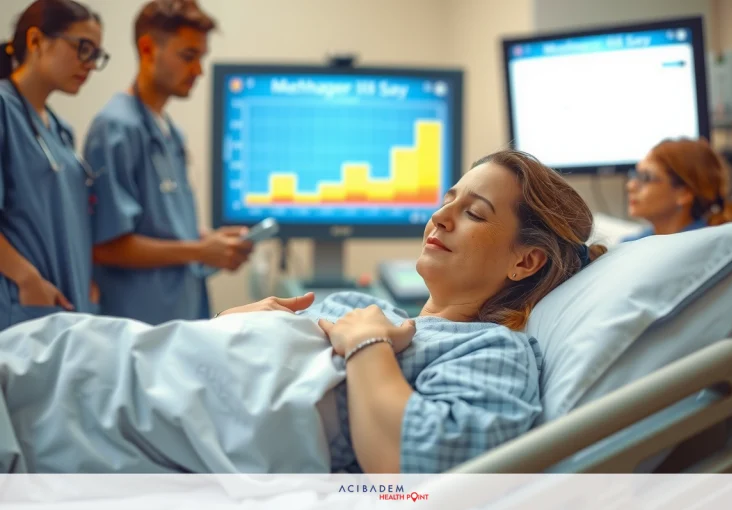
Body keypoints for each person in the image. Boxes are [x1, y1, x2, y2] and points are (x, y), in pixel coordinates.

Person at [0, 149, 607, 474]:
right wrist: (244, 323)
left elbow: (417, 470)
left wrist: (367, 343)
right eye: (447, 200)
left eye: (474, 214)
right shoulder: (368, 307)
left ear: (524, 263)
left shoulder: (493, 348)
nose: (440, 217)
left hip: (122, 406)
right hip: (110, 357)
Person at [82, 0, 252, 325]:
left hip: (178, 321)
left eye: (201, 58)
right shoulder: (116, 128)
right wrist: (199, 251)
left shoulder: (169, 132)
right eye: (188, 57)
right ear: (147, 49)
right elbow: (107, 246)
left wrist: (210, 242)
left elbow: (163, 228)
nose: (199, 71)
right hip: (138, 328)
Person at [0, 0, 108, 331]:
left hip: (66, 305)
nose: (90, 65)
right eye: (83, 49)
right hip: (24, 307)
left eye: (97, 55)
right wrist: (26, 277)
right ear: (35, 42)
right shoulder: (4, 110)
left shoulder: (61, 131)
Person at [622, 138, 732, 242]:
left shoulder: (709, 247)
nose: (631, 185)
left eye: (646, 177)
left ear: (684, 193)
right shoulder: (632, 245)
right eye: (635, 174)